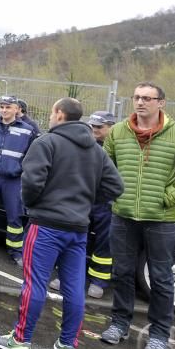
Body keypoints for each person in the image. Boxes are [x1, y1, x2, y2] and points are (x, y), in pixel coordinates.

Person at [0, 98, 123, 349]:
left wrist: (35, 205)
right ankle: (67, 346)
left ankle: (21, 340)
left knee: (35, 284)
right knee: (75, 288)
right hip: (78, 228)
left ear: (60, 115)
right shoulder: (96, 150)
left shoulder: (46, 143)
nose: (50, 117)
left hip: (46, 226)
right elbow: (115, 187)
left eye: (52, 112)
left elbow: (30, 183)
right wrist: (85, 202)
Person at [100, 83, 175, 349]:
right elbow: (105, 170)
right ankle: (119, 323)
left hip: (161, 219)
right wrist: (115, 196)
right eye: (136, 97)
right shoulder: (118, 132)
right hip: (123, 216)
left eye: (147, 98)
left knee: (161, 279)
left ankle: (159, 334)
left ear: (161, 103)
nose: (140, 102)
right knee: (121, 273)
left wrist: (166, 197)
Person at [50, 110, 118, 298]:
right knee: (75, 240)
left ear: (111, 128)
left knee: (104, 244)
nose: (95, 130)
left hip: (105, 204)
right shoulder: (84, 144)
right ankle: (66, 276)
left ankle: (99, 281)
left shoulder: (119, 148)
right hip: (83, 200)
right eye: (93, 126)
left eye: (100, 127)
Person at [0, 96, 36, 267]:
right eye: (2, 107)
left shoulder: (27, 130)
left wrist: (19, 169)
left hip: (13, 180)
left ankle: (15, 252)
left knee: (14, 217)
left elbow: (30, 156)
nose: (3, 110)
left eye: (8, 107)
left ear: (16, 109)